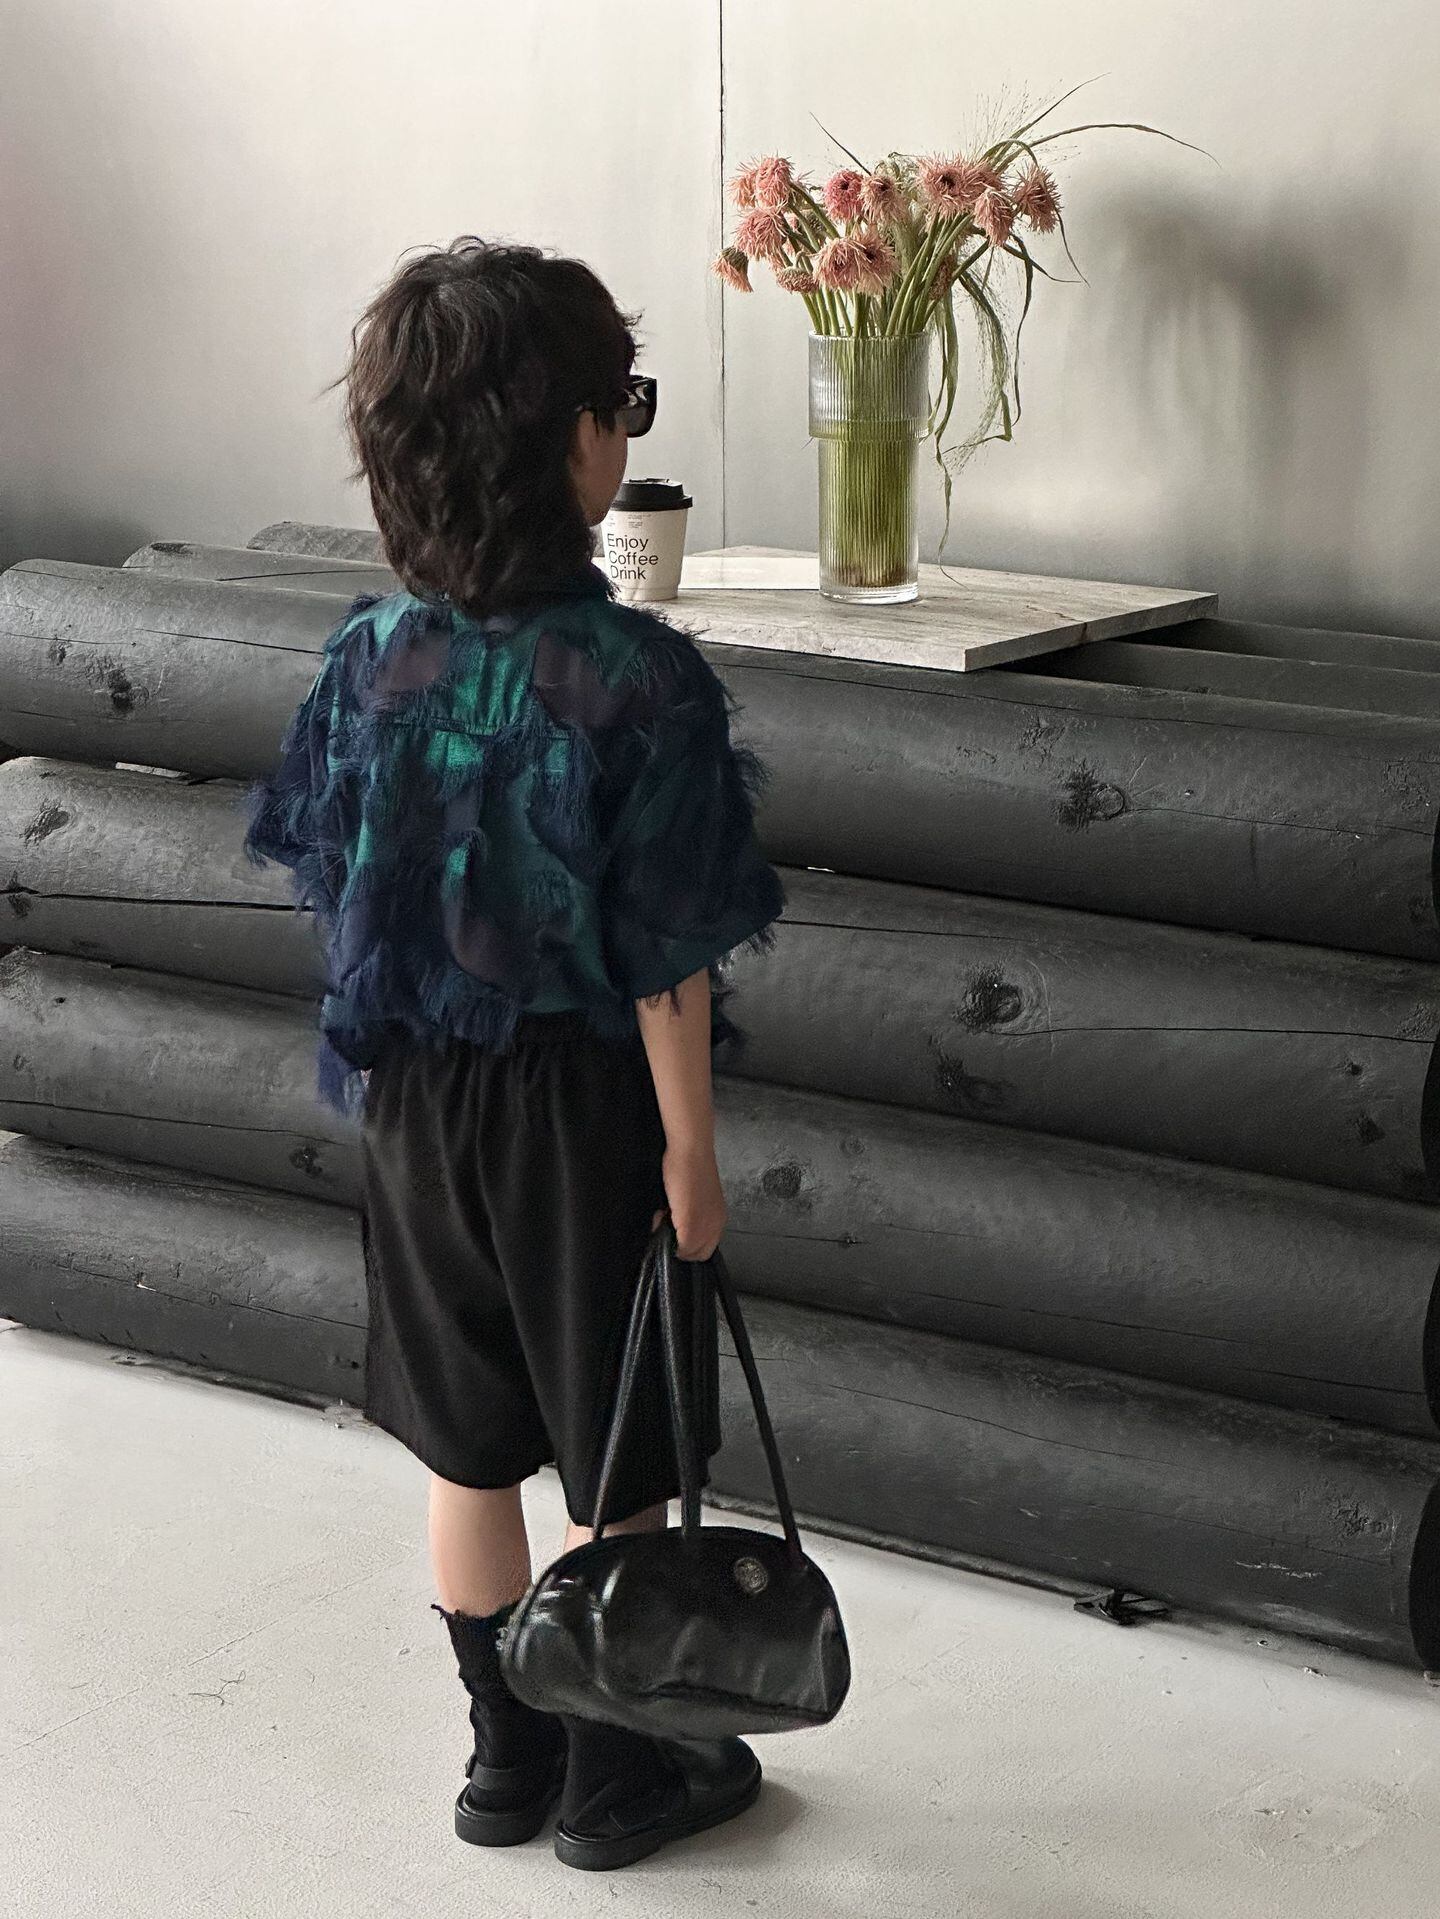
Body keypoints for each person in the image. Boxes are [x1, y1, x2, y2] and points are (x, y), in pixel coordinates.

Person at [245, 237, 784, 1873]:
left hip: (416, 1098)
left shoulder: (368, 657)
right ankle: (619, 1780)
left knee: (465, 1442)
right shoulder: (635, 678)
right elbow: (666, 957)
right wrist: (693, 1156)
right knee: (615, 1450)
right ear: (566, 442)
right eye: (620, 402)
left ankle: (505, 1759)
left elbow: (336, 873)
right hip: (586, 1111)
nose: (626, 432)